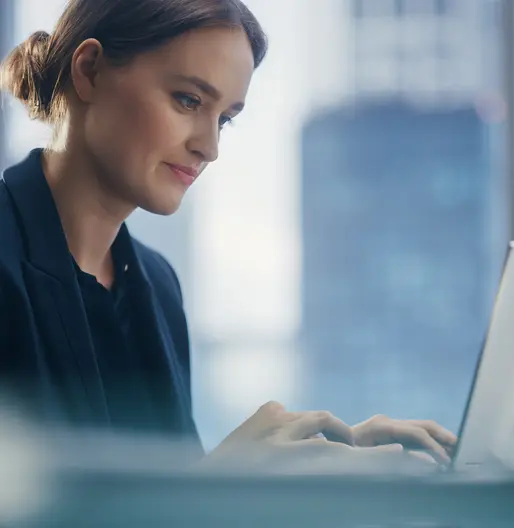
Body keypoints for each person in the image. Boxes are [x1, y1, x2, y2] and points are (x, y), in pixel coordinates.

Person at [0, 0, 456, 469]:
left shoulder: (155, 286)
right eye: (189, 100)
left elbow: (163, 504)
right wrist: (221, 476)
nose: (209, 147)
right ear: (90, 70)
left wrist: (318, 457)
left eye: (225, 118)